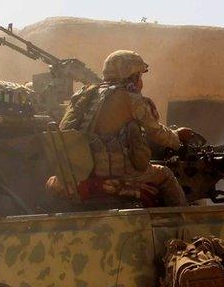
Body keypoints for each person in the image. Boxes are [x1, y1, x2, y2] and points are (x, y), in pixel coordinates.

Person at [51, 50, 194, 206]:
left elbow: (64, 131)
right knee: (165, 174)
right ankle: (184, 223)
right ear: (132, 76)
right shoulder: (130, 98)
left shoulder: (85, 94)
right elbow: (156, 132)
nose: (140, 80)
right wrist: (176, 138)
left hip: (82, 172)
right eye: (139, 75)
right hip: (119, 173)